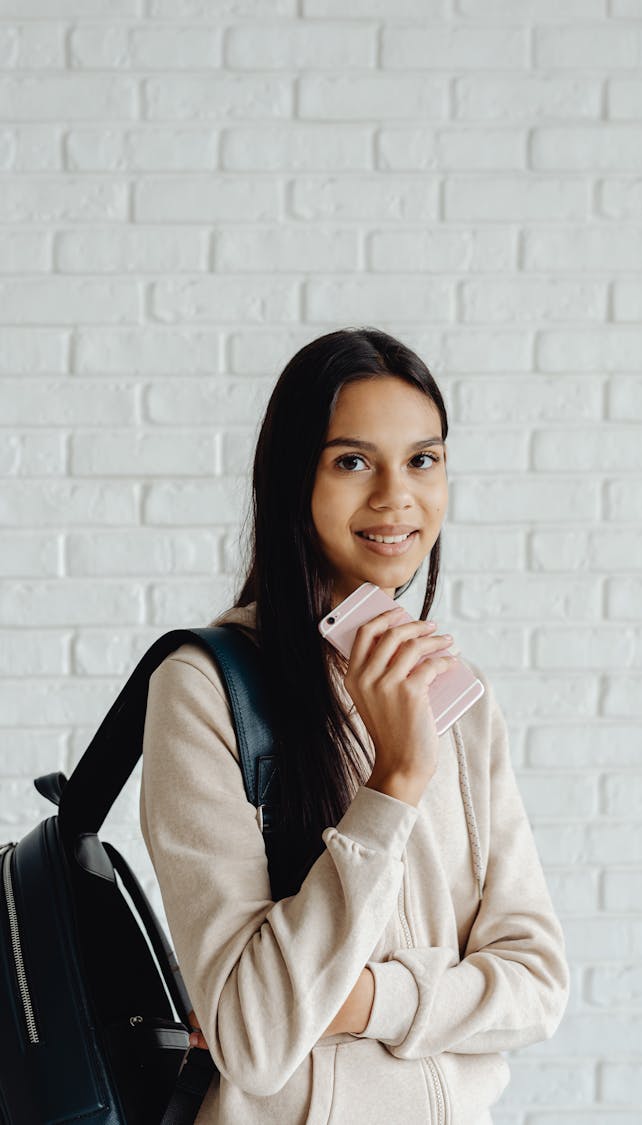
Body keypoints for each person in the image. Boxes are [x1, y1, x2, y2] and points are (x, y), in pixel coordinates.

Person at [139, 326, 570, 1125]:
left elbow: (538, 984)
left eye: (423, 459)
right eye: (352, 460)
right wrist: (394, 783)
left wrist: (365, 998)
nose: (395, 496)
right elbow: (254, 1036)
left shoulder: (461, 697)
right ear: (292, 477)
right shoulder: (205, 689)